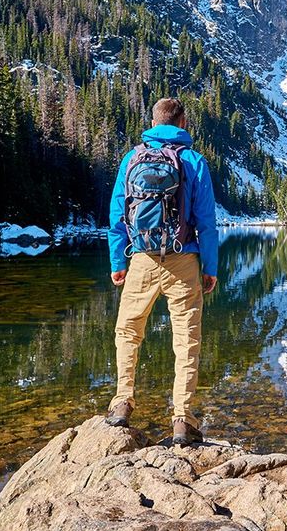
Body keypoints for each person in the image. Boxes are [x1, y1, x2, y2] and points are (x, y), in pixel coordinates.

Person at [105, 97, 218, 446]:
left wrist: (117, 262)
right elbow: (206, 222)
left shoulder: (132, 158)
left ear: (153, 122)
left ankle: (122, 403)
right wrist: (210, 267)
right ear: (182, 123)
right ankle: (182, 419)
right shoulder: (193, 161)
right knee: (186, 340)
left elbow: (117, 215)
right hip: (184, 259)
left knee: (128, 330)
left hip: (142, 258)